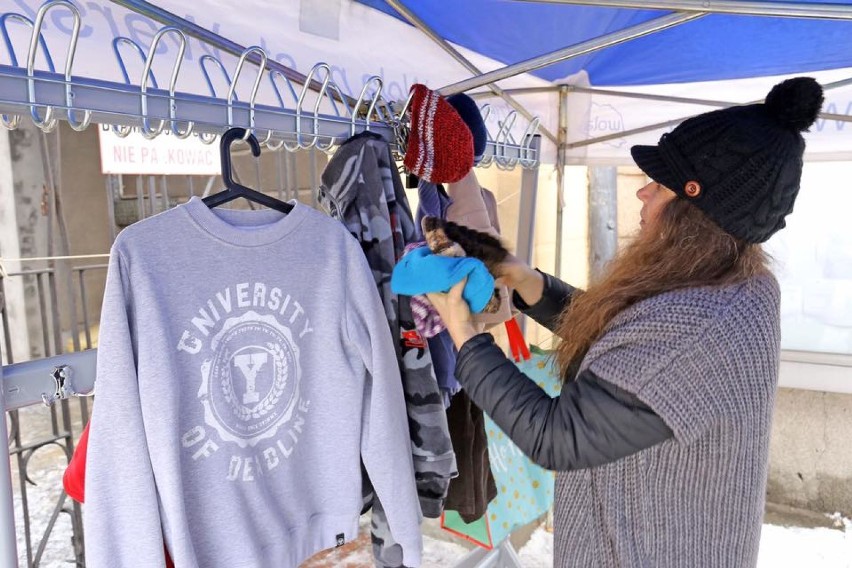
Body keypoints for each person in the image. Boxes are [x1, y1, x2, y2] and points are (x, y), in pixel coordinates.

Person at [426, 76, 824, 567]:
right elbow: (631, 342)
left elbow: (558, 436)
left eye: (658, 185)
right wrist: (530, 284)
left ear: (693, 208)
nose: (643, 195)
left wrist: (464, 336)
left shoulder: (700, 328)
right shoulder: (736, 289)